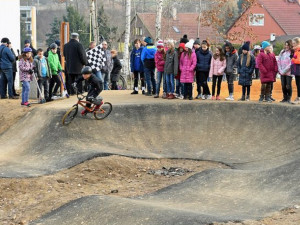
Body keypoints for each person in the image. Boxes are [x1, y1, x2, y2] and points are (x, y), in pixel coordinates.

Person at [291, 37, 300, 104]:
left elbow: (299, 61)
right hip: (297, 70)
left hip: (299, 70)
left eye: (294, 43)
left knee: (299, 84)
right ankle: (298, 97)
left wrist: (293, 59)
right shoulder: (296, 50)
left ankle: (299, 98)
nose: (292, 45)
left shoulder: (299, 50)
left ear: (297, 43)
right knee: (297, 84)